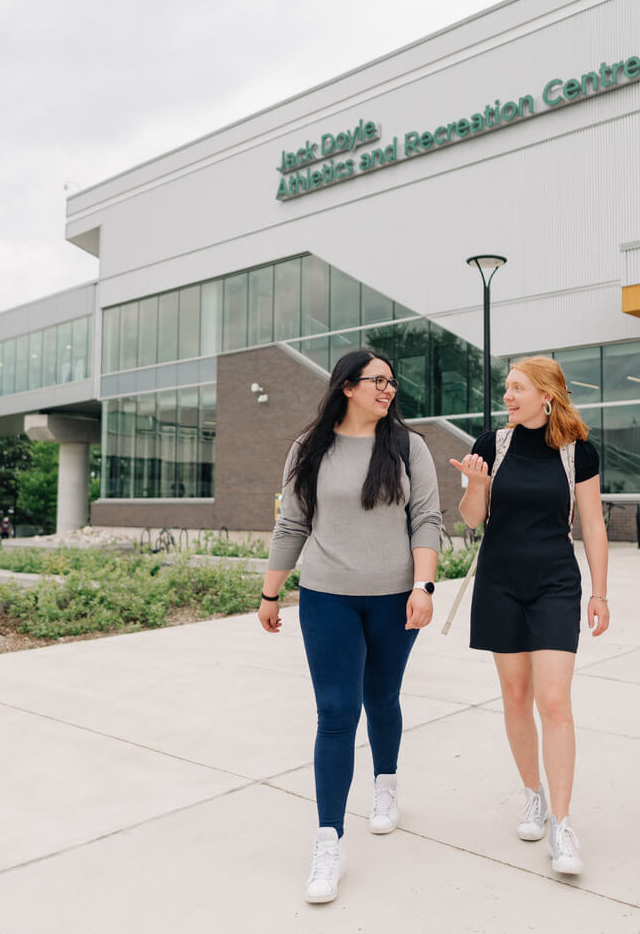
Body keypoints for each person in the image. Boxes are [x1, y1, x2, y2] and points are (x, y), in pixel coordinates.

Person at [259, 349, 442, 905]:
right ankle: (328, 840)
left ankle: (385, 782)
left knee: (381, 697)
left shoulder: (410, 447)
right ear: (346, 386)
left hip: (395, 599)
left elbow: (426, 519)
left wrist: (424, 586)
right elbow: (292, 521)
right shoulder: (308, 448)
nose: (388, 390)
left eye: (392, 382)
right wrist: (271, 592)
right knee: (337, 713)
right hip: (326, 598)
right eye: (377, 381)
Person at [450, 356, 608, 877]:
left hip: (556, 584)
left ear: (547, 395)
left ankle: (562, 825)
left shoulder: (576, 452)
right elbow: (472, 521)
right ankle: (532, 795)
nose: (508, 396)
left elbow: (592, 524)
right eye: (507, 388)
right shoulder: (490, 446)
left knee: (554, 699)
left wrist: (600, 593)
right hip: (499, 583)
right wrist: (476, 485)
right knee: (516, 695)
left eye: (518, 388)